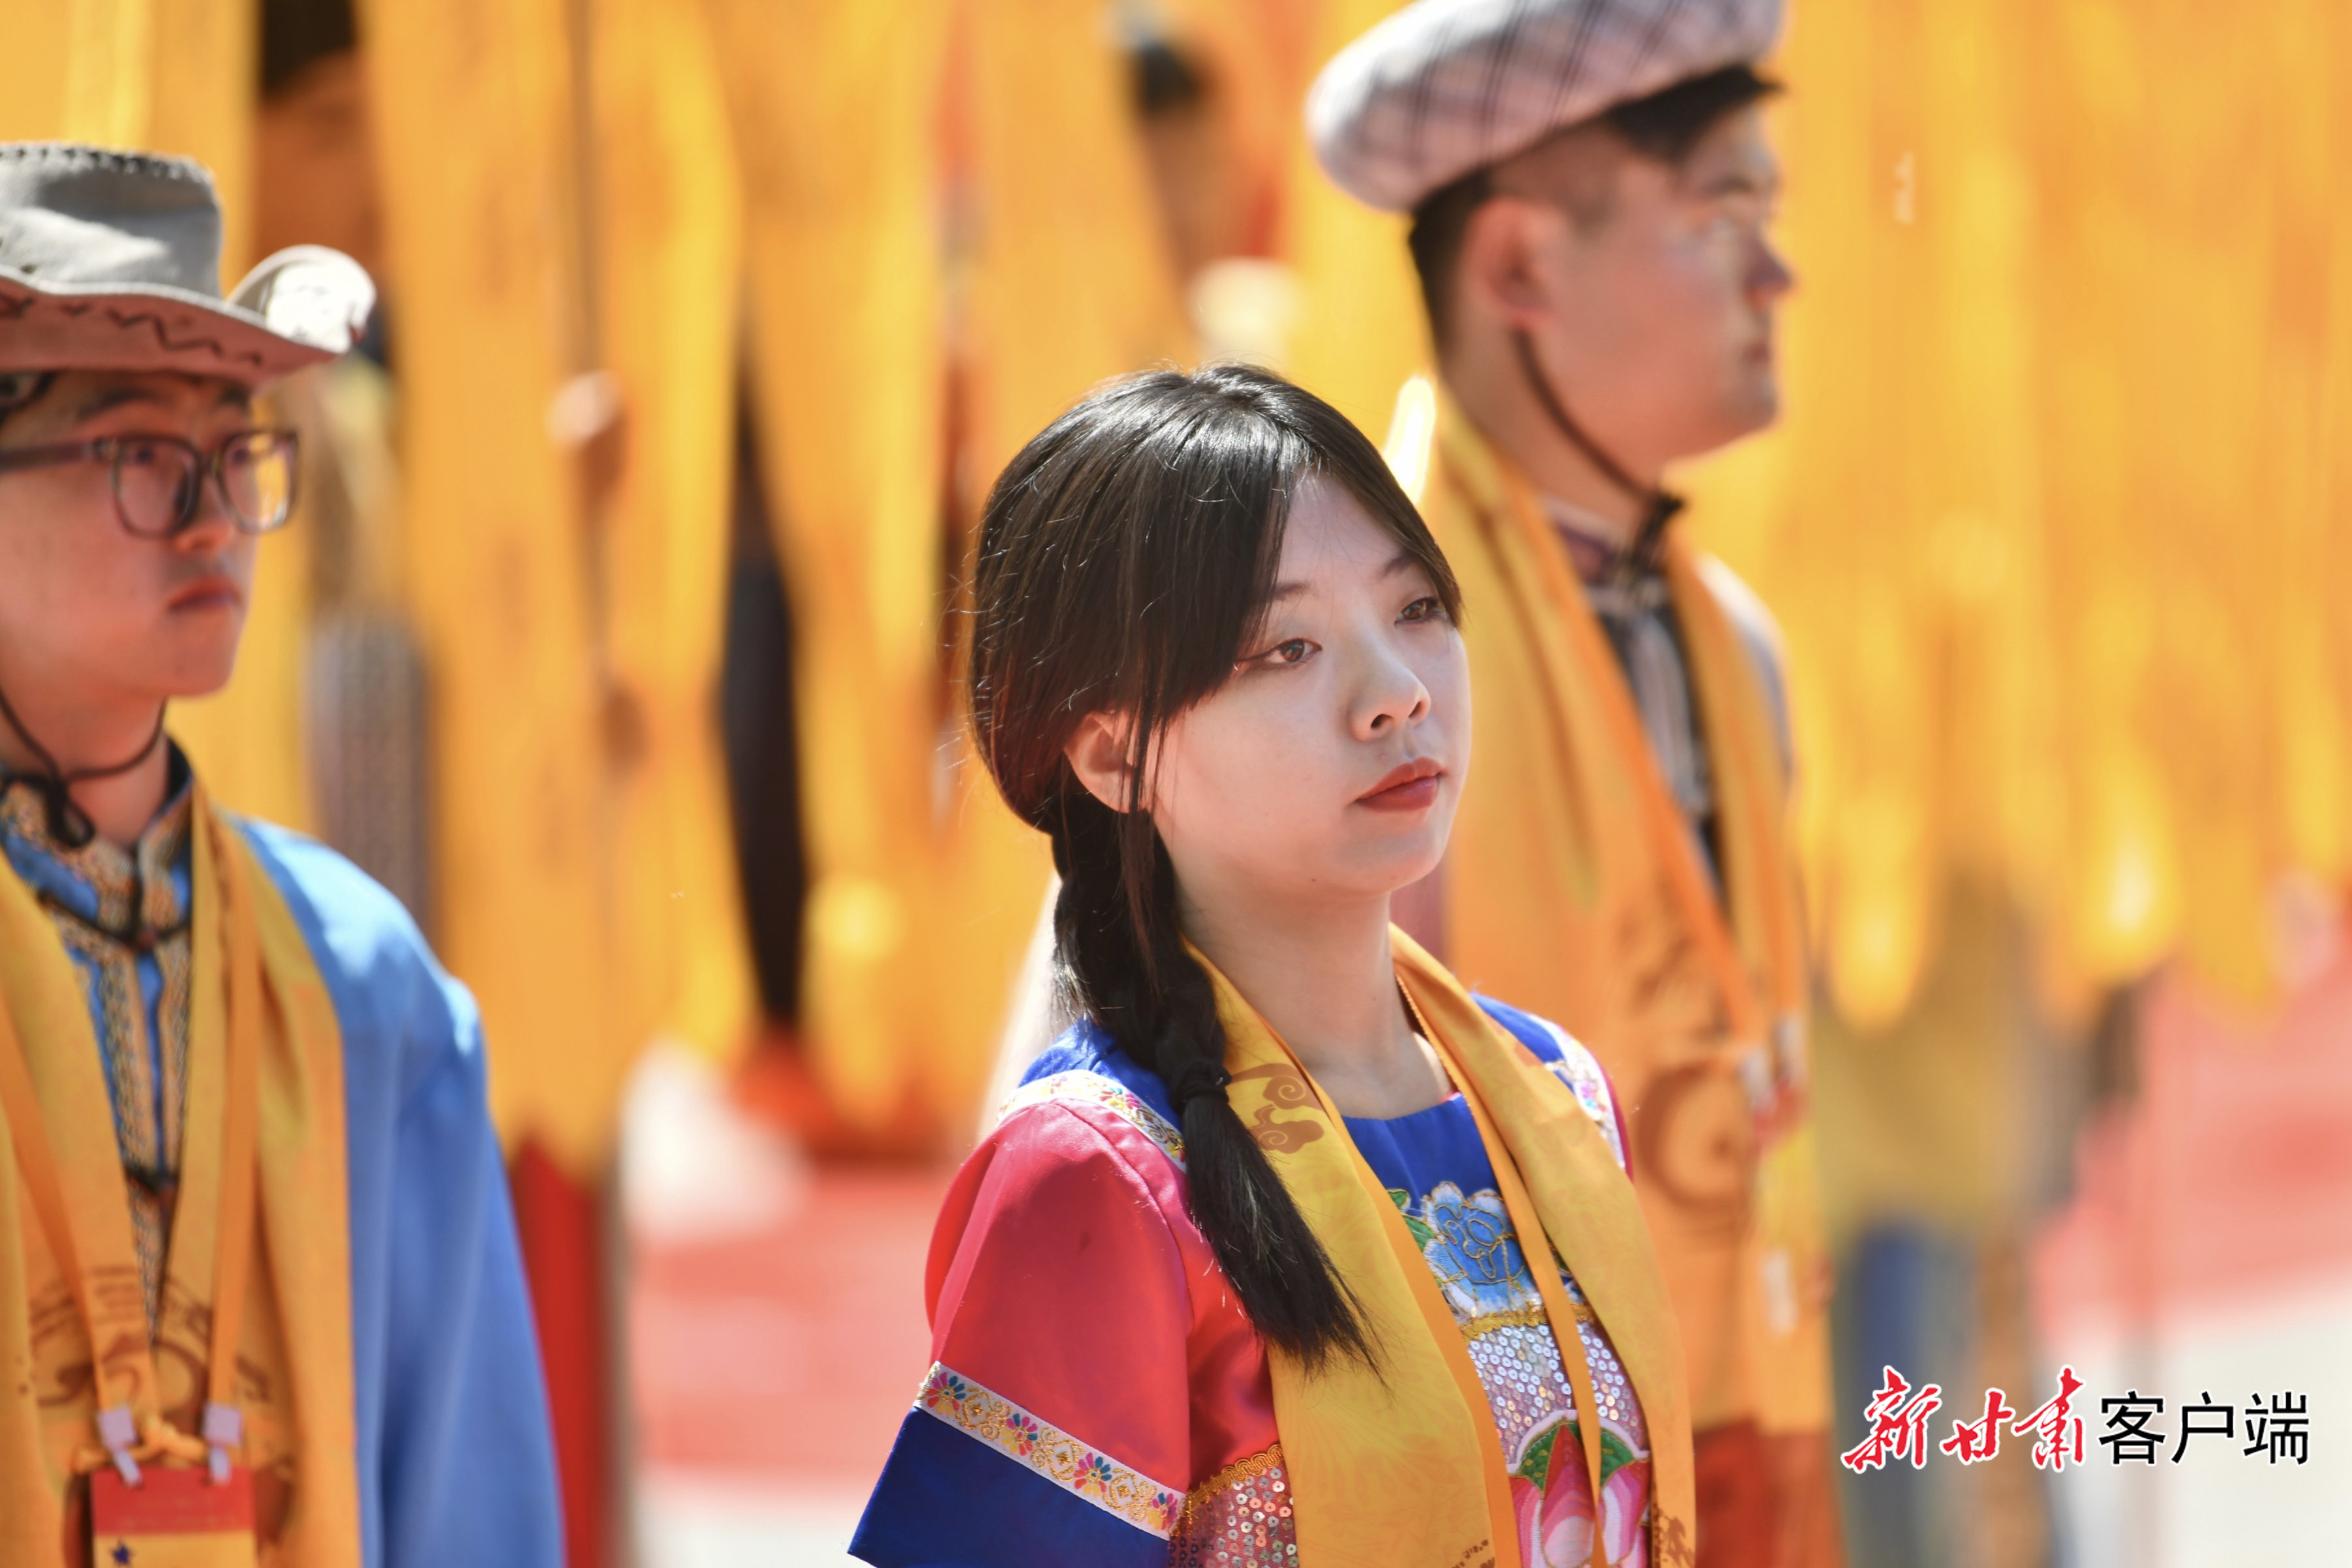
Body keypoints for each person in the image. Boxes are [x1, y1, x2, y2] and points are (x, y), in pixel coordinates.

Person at [853, 365, 1696, 1568]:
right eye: (1287, 648)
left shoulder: (1556, 1098)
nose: (1396, 696)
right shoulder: (1102, 1180)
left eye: (1414, 611)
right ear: (1113, 755)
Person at [1305, 3, 1836, 1564]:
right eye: (1722, 216)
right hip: (1491, 1475)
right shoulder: (1335, 659)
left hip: (1741, 1420)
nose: (1778, 274)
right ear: (1522, 269)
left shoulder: (1726, 634)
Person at [0, 143, 561, 1566]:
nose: (212, 517)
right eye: (136, 451)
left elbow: (464, 1495)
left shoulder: (360, 977)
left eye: (239, 451)